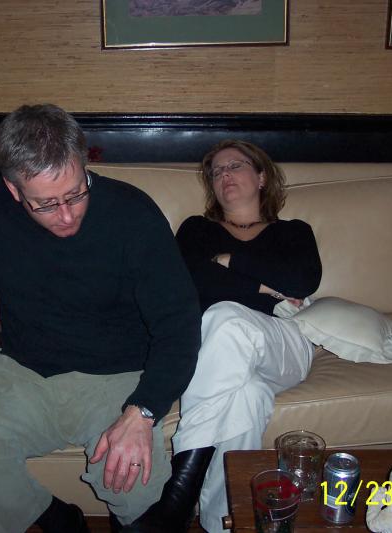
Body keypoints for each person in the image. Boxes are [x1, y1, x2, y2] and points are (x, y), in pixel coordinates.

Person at [0, 104, 201, 533]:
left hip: (116, 377)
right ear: (12, 189)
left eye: (75, 193)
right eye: (46, 204)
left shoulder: (133, 215)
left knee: (136, 488)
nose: (67, 215)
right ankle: (61, 522)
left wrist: (142, 412)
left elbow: (179, 325)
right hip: (26, 373)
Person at [125, 140, 322, 533]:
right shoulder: (196, 230)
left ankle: (179, 494)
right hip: (219, 354)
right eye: (216, 171)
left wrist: (230, 261)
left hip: (282, 343)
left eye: (235, 166)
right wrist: (265, 286)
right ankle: (222, 524)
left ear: (261, 177)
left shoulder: (293, 231)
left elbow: (303, 280)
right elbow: (188, 283)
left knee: (225, 316)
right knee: (246, 398)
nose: (224, 175)